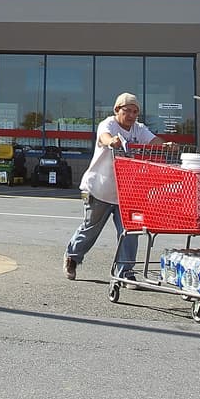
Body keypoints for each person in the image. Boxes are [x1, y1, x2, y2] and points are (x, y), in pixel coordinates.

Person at [63, 93, 155, 283]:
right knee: (91, 228)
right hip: (99, 189)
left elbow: (154, 141)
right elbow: (105, 137)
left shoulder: (139, 129)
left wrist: (167, 145)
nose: (131, 115)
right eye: (127, 110)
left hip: (126, 193)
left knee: (130, 231)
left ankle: (125, 272)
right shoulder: (108, 124)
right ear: (117, 110)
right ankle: (72, 257)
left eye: (135, 111)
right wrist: (111, 141)